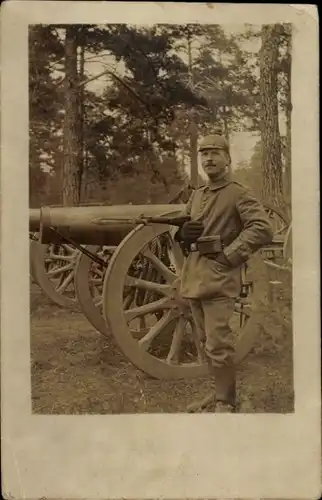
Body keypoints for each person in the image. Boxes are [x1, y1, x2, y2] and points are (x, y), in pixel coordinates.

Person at [174, 132, 274, 413]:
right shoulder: (196, 196)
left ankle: (226, 402)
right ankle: (218, 394)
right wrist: (183, 232)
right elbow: (181, 229)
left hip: (220, 279)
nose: (209, 158)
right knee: (206, 341)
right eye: (204, 154)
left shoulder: (239, 192)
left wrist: (229, 257)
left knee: (219, 342)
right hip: (194, 278)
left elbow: (263, 228)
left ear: (227, 158)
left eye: (215, 153)